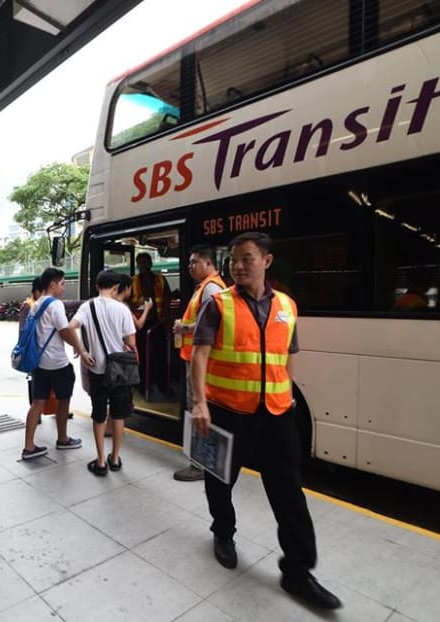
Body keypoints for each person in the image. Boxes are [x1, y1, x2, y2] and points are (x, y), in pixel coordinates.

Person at [190, 232, 341, 610]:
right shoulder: (218, 304)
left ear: (267, 261)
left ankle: (298, 572)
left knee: (289, 492)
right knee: (220, 480)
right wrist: (200, 404)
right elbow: (199, 355)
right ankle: (223, 532)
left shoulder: (287, 305)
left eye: (246, 259)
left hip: (276, 415)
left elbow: (288, 354)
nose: (237, 266)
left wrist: (288, 393)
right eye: (233, 260)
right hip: (226, 410)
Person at [21, 267, 93, 460]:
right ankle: (63, 439)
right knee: (64, 400)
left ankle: (29, 447)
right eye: (62, 283)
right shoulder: (55, 305)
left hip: (39, 363)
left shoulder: (35, 304)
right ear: (52, 284)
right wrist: (81, 349)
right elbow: (65, 331)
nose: (63, 287)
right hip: (58, 363)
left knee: (37, 403)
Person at [70, 270, 136, 475]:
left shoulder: (86, 307)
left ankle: (100, 462)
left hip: (97, 370)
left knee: (99, 416)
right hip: (119, 371)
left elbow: (70, 327)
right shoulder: (123, 309)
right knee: (118, 416)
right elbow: (131, 342)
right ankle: (115, 459)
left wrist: (81, 351)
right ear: (116, 287)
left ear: (97, 286)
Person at [172, 246, 226, 482]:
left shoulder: (211, 288)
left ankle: (199, 465)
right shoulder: (206, 287)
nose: (190, 266)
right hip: (193, 355)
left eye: (194, 262)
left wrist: (182, 328)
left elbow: (209, 326)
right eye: (189, 262)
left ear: (208, 263)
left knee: (198, 408)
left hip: (200, 359)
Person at [131, 252, 173, 394]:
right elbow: (129, 302)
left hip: (158, 322)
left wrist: (166, 317)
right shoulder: (133, 281)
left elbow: (167, 298)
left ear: (150, 264)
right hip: (141, 324)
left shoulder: (160, 279)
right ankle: (142, 384)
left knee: (160, 354)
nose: (143, 265)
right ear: (137, 265)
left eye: (145, 262)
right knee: (141, 355)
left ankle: (163, 385)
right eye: (140, 263)